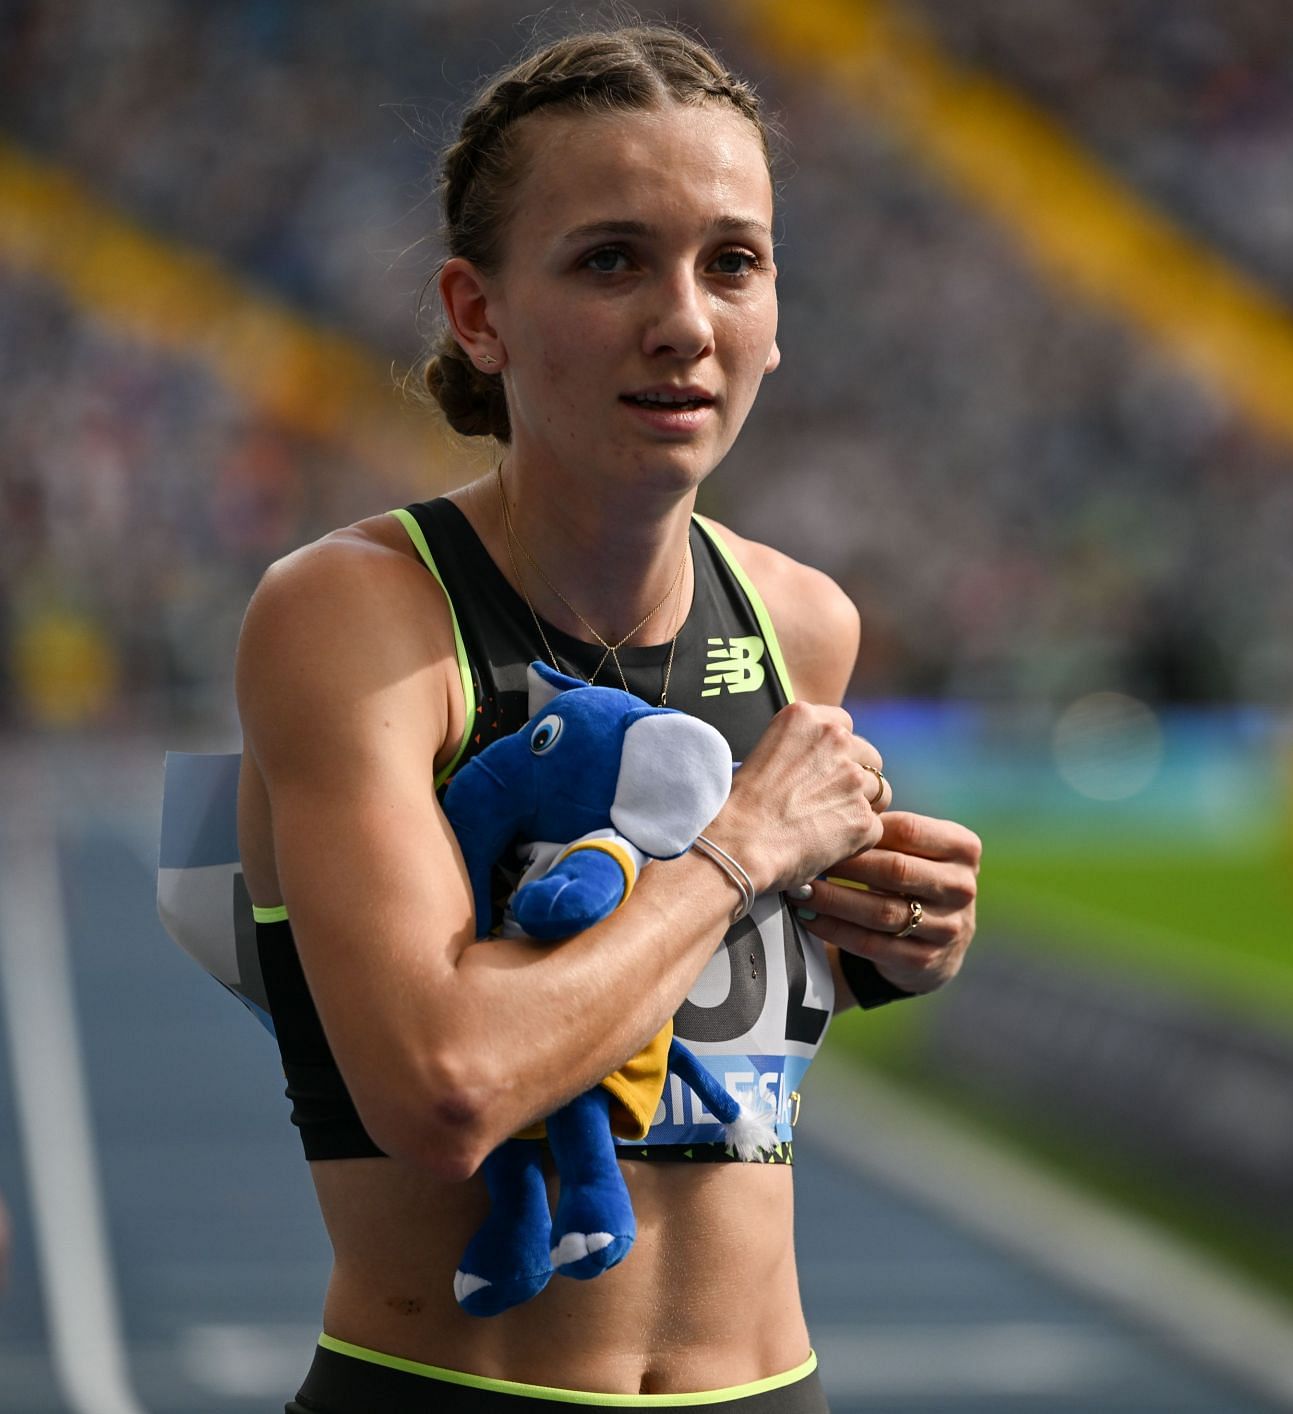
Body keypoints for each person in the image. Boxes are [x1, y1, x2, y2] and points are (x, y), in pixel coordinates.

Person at [234, 23, 981, 1412]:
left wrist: (897, 937)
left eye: (732, 261)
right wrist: (741, 850)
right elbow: (445, 1087)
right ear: (478, 314)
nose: (685, 319)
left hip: (769, 1384)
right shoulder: (358, 618)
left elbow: (714, 1028)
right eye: (611, 258)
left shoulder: (799, 621)